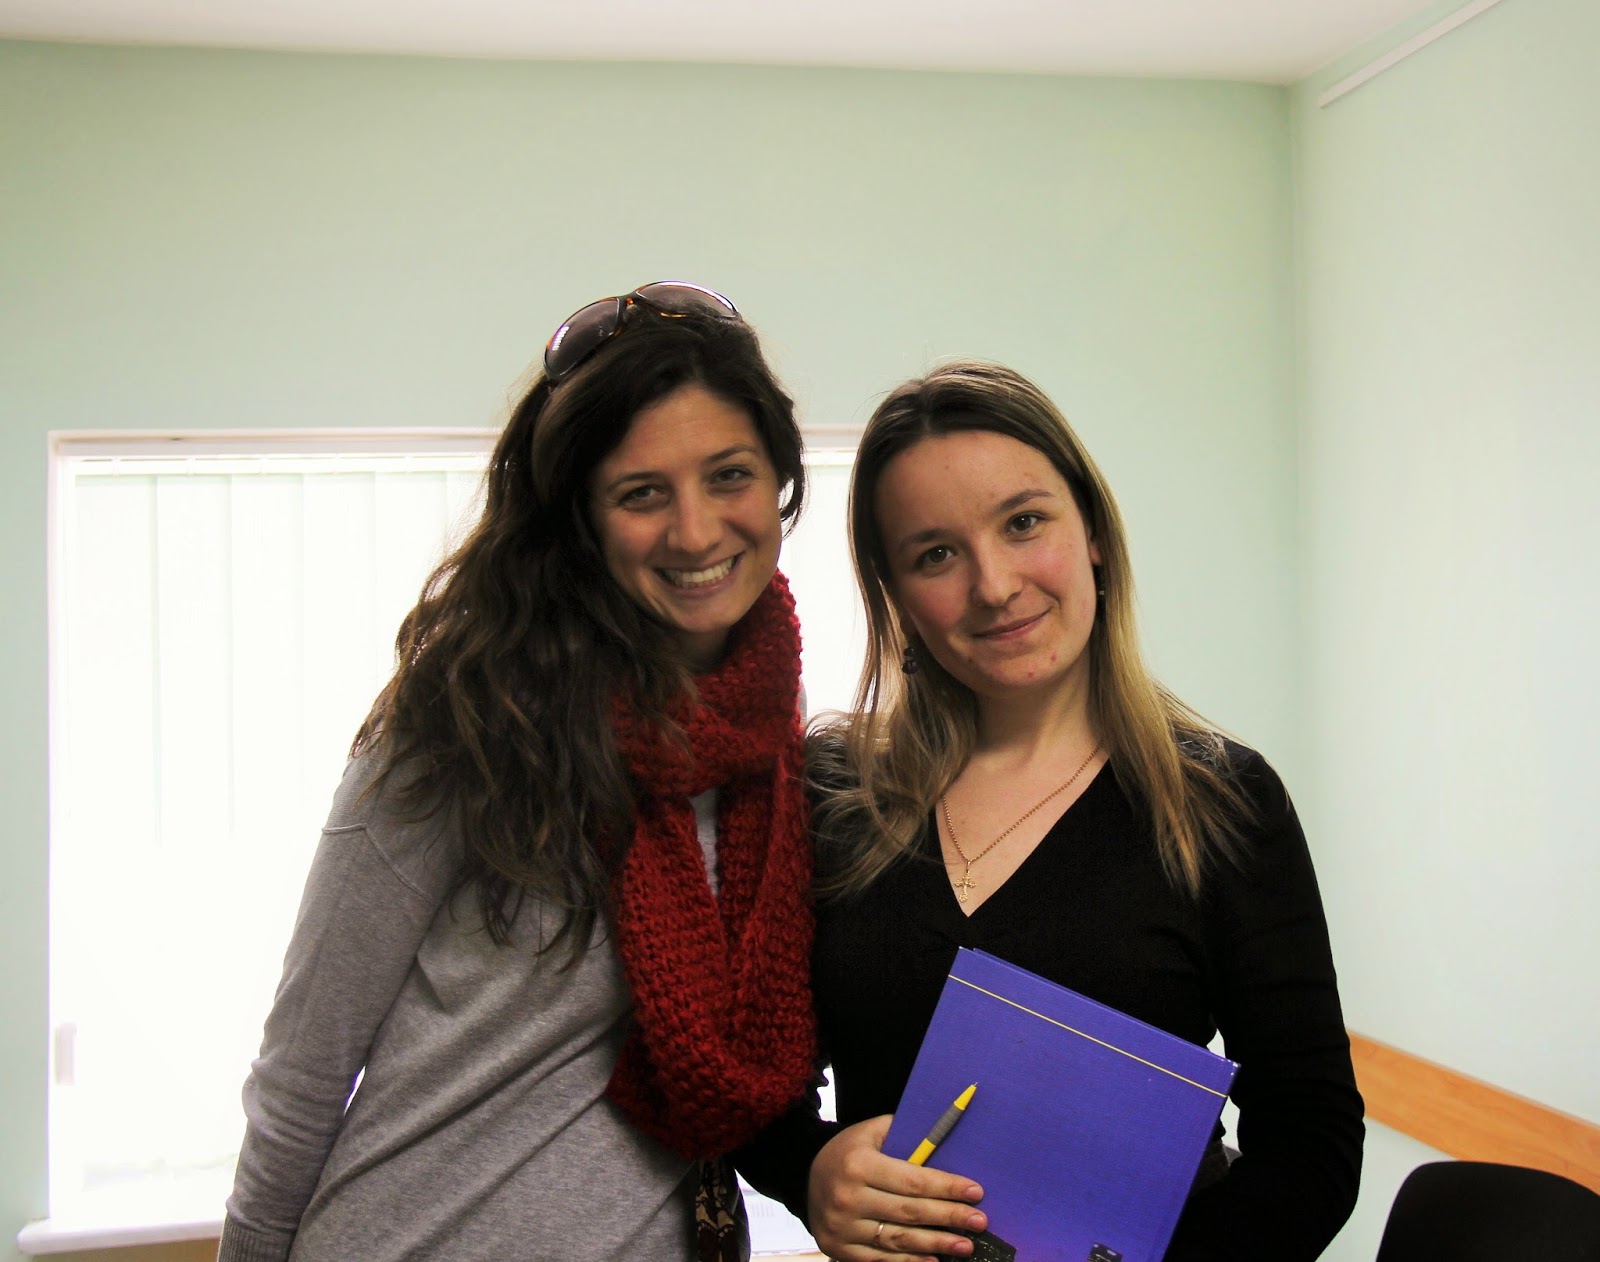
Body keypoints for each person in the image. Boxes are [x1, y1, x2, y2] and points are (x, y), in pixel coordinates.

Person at [218, 282, 818, 1262]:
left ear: (780, 476)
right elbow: (302, 1072)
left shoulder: (777, 753)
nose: (697, 531)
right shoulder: (470, 721)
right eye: (641, 492)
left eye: (729, 475)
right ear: (581, 517)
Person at [735, 362, 1364, 1261]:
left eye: (1024, 522)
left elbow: (1310, 1135)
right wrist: (809, 1172)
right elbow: (754, 1085)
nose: (994, 585)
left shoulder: (1222, 800)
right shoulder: (827, 792)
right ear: (895, 593)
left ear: (1094, 533)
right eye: (936, 554)